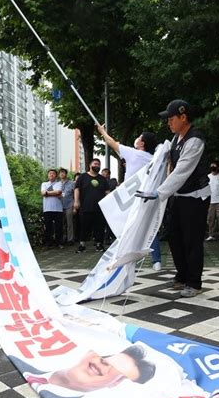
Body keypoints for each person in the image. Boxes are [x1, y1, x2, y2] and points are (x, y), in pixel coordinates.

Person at [136, 100, 209, 297]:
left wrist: (159, 193)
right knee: (174, 236)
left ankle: (194, 283)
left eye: (171, 119)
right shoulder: (176, 139)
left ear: (183, 117)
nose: (168, 123)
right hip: (178, 196)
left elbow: (181, 171)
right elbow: (165, 166)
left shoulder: (194, 140)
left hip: (195, 197)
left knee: (191, 240)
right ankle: (182, 276)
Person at [12, 345, 156, 398]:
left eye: (119, 370)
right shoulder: (16, 359)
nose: (103, 364)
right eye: (108, 357)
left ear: (117, 383)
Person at [97, 125, 162, 271]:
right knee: (149, 227)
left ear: (142, 143)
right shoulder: (154, 159)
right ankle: (156, 260)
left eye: (139, 137)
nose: (136, 139)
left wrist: (102, 131)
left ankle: (122, 260)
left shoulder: (134, 154)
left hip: (131, 199)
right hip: (148, 197)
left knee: (125, 228)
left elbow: (111, 142)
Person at [74, 158, 109, 253]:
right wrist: (76, 202)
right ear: (90, 165)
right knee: (84, 226)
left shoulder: (103, 179)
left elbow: (107, 192)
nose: (97, 166)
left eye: (98, 164)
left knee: (99, 227)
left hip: (100, 208)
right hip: (85, 206)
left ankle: (99, 245)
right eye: (95, 164)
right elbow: (77, 189)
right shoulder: (82, 177)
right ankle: (82, 245)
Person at [41, 169, 64, 249]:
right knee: (48, 227)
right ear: (48, 175)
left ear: (56, 175)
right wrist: (52, 193)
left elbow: (58, 192)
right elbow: (43, 193)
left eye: (53, 174)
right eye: (50, 173)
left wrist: (47, 193)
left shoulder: (59, 183)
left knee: (59, 227)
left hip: (58, 209)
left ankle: (59, 243)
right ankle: (48, 243)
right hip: (47, 209)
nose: (51, 175)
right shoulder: (44, 184)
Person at [58, 167, 75, 245]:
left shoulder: (72, 183)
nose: (62, 174)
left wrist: (75, 206)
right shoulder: (57, 184)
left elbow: (75, 194)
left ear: (66, 174)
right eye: (60, 172)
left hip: (69, 205)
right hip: (59, 206)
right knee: (62, 223)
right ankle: (63, 239)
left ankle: (70, 239)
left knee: (69, 223)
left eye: (63, 172)